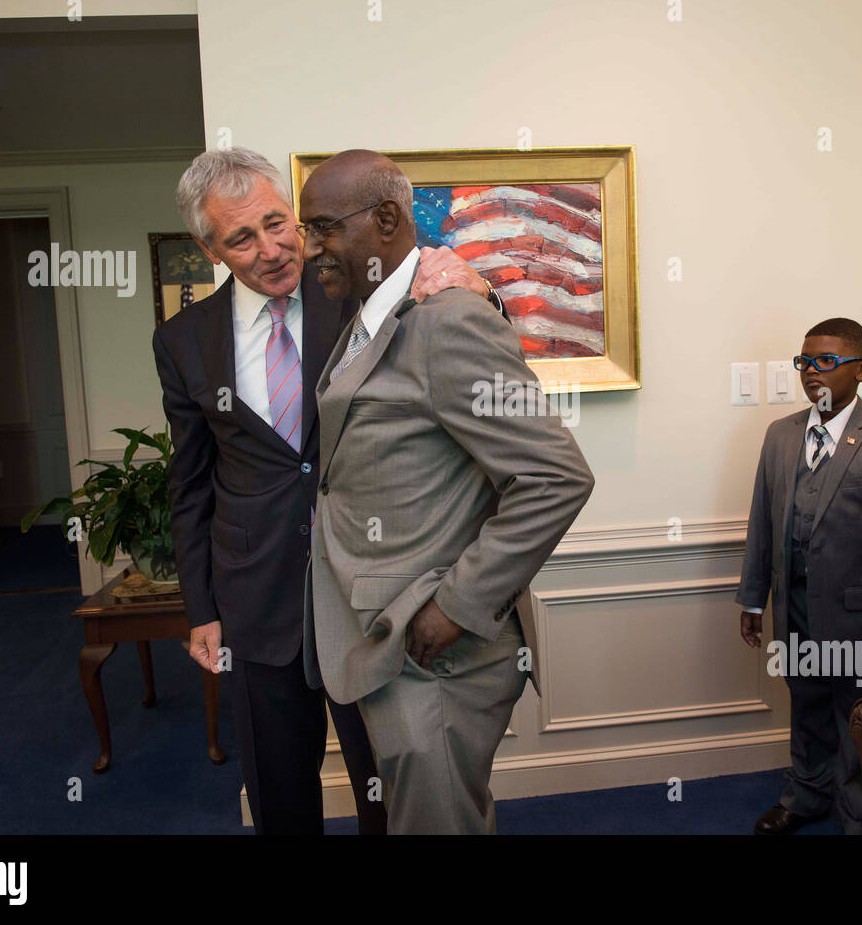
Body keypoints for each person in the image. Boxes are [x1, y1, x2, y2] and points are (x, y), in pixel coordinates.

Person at [153, 146, 502, 834]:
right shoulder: (183, 341)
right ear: (209, 247)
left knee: (390, 787)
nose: (275, 248)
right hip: (257, 598)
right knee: (280, 796)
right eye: (242, 238)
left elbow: (462, 347)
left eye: (279, 222)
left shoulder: (359, 287)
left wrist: (482, 291)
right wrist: (201, 606)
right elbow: (190, 482)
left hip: (370, 592)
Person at [302, 149, 595, 833]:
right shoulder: (373, 312)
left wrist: (456, 606)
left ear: (384, 219)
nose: (309, 247)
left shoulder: (448, 321)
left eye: (322, 227)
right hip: (383, 640)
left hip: (435, 655)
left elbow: (555, 476)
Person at [737, 318, 862, 835]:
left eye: (827, 361)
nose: (811, 372)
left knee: (856, 716)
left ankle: (860, 815)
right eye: (804, 362)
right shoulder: (781, 436)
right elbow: (763, 518)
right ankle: (805, 796)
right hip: (796, 606)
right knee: (804, 704)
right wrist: (754, 600)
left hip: (858, 614)